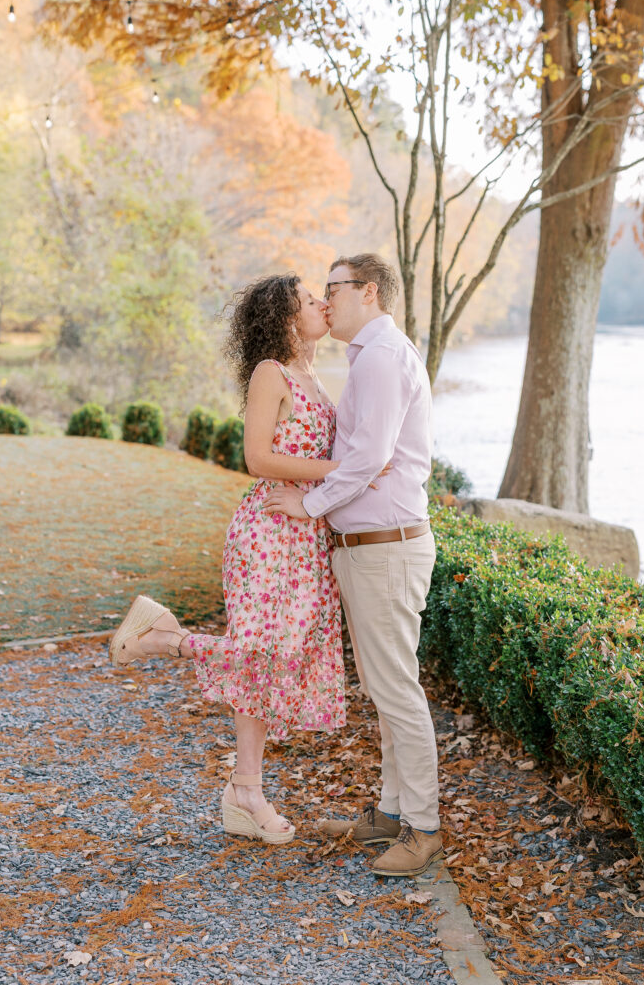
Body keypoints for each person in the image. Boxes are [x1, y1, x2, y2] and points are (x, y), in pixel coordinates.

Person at [109, 274, 358, 844]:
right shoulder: (270, 373)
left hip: (307, 534)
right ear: (286, 319)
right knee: (261, 653)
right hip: (269, 531)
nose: (323, 303)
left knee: (278, 659)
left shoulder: (315, 377)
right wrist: (347, 472)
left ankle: (245, 790)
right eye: (309, 300)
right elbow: (256, 457)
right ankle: (163, 642)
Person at [263, 253, 442, 878]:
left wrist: (308, 505)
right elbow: (364, 457)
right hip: (368, 549)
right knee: (383, 689)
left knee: (396, 690)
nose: (325, 300)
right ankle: (392, 814)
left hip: (387, 547)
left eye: (333, 289)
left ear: (368, 292)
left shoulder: (386, 358)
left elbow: (368, 460)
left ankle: (422, 828)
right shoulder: (367, 359)